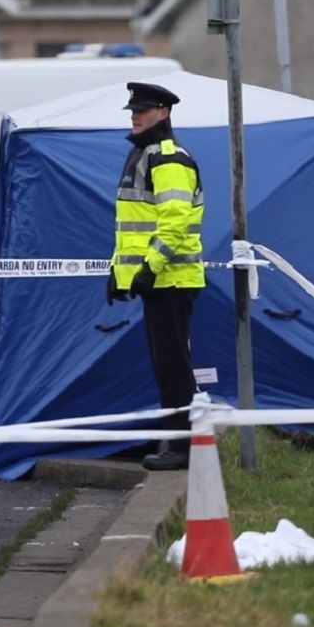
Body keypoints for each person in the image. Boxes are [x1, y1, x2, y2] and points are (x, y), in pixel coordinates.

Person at [106, 82, 205, 471]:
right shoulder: (145, 156)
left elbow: (175, 222)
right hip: (160, 282)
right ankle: (179, 443)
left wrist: (150, 268)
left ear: (163, 113)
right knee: (168, 367)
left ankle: (182, 449)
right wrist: (119, 273)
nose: (135, 115)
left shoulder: (168, 159)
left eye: (143, 109)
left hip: (172, 281)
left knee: (174, 367)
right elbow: (132, 226)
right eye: (133, 109)